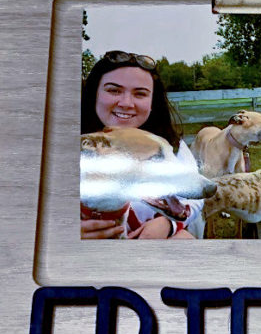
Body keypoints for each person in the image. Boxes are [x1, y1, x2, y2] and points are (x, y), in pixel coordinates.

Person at [80, 50, 199, 239]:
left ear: (152, 102)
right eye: (114, 90)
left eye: (140, 94)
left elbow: (195, 198)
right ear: (94, 93)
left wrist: (169, 224)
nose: (126, 103)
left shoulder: (171, 146)